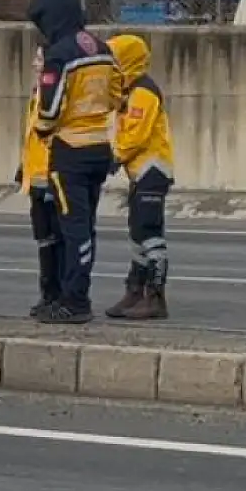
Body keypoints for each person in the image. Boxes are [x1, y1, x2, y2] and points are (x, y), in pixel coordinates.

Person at [26, 0, 122, 325]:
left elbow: (49, 110)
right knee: (87, 226)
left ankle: (74, 300)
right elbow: (117, 94)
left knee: (73, 228)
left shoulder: (59, 53)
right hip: (99, 146)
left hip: (69, 150)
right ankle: (74, 295)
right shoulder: (103, 48)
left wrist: (42, 129)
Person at [105, 34, 176, 320]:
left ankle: (155, 297)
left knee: (149, 232)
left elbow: (136, 133)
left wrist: (115, 157)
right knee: (137, 232)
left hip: (152, 169)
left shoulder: (143, 92)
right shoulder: (129, 90)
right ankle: (135, 290)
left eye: (114, 60)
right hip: (141, 171)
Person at [15, 44, 64, 319]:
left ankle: (58, 294)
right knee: (44, 240)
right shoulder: (36, 95)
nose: (35, 64)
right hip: (37, 177)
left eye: (40, 59)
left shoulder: (52, 96)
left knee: (56, 239)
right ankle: (47, 293)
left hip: (51, 177)